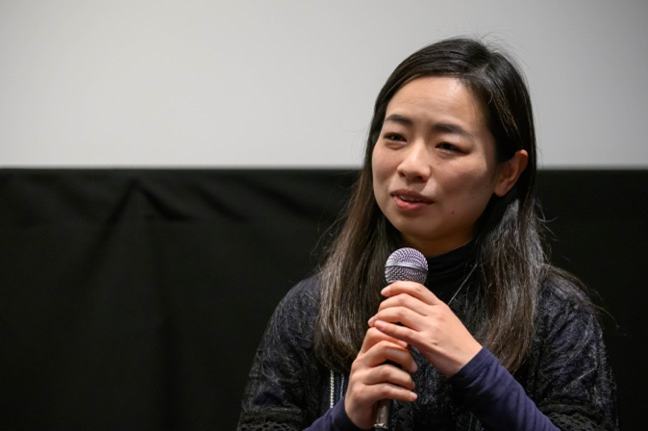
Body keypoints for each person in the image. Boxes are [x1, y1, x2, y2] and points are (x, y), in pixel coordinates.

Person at [237, 36, 618, 430]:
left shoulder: (555, 313)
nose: (412, 165)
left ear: (507, 172)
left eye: (447, 145)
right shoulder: (313, 307)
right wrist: (345, 420)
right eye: (395, 137)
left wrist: (476, 368)